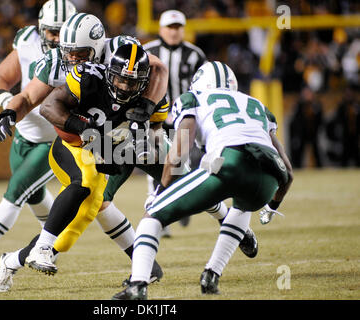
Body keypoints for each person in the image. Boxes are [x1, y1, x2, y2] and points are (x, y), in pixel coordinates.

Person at [0, 22, 168, 291]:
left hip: (110, 143)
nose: (72, 58)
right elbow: (31, 99)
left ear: (98, 48)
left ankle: (14, 259)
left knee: (80, 222)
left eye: (80, 53)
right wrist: (9, 112)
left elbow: (158, 70)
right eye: (68, 52)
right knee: (84, 192)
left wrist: (145, 111)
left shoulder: (123, 54)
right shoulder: (70, 69)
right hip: (73, 140)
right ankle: (39, 248)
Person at [112, 61, 293, 300]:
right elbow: (287, 171)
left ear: (200, 82)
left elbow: (178, 153)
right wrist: (272, 206)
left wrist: (162, 189)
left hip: (229, 161)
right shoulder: (257, 105)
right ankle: (211, 274)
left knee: (153, 214)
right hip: (269, 178)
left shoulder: (193, 98)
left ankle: (138, 285)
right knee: (242, 207)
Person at [0, 0, 77, 273]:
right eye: (51, 31)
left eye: (62, 31)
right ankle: (51, 244)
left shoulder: (78, 53)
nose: (56, 38)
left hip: (53, 140)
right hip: (23, 135)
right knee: (33, 195)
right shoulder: (27, 40)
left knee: (16, 192)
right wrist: (8, 104)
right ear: (41, 28)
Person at [143, 10, 208, 235]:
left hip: (185, 117)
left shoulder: (194, 54)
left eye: (178, 27)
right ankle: (161, 216)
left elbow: (204, 85)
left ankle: (181, 202)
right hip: (155, 117)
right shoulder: (148, 51)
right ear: (161, 29)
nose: (174, 31)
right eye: (170, 27)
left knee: (184, 163)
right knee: (156, 162)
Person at [288, 86, 323, 168]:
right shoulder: (299, 106)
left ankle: (320, 167)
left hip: (313, 133)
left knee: (317, 152)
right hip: (301, 134)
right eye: (305, 93)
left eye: (308, 93)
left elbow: (320, 120)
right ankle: (297, 167)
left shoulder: (316, 105)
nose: (306, 95)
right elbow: (295, 121)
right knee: (298, 152)